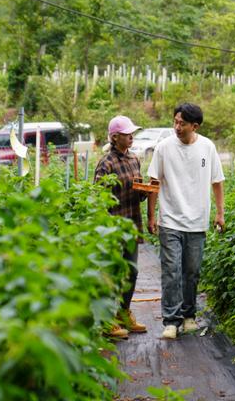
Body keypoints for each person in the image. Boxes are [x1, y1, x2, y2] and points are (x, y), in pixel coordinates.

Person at [147, 103, 225, 339]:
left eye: (182, 123)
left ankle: (189, 315)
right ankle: (171, 321)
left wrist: (220, 213)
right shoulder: (163, 148)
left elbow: (217, 182)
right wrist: (152, 215)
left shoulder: (207, 148)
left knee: (191, 272)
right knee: (171, 271)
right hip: (170, 219)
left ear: (195, 126)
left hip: (197, 221)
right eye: (175, 121)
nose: (177, 127)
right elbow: (154, 182)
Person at [94, 115, 147, 338]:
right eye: (127, 134)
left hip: (132, 223)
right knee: (112, 273)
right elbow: (98, 196)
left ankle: (123, 313)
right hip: (113, 226)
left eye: (132, 133)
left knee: (131, 272)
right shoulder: (106, 163)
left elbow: (140, 192)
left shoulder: (135, 160)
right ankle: (106, 321)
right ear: (115, 137)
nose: (131, 137)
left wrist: (144, 191)